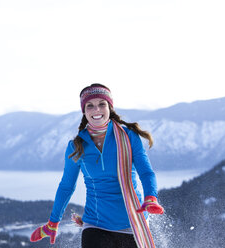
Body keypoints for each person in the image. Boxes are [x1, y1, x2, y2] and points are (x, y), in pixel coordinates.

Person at [30, 84, 164, 248]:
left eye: (102, 104)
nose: (96, 110)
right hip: (96, 224)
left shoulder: (129, 137)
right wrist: (53, 221)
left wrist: (150, 196)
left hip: (132, 222)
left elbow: (146, 172)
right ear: (84, 111)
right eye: (90, 106)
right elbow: (66, 186)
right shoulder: (76, 146)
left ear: (110, 107)